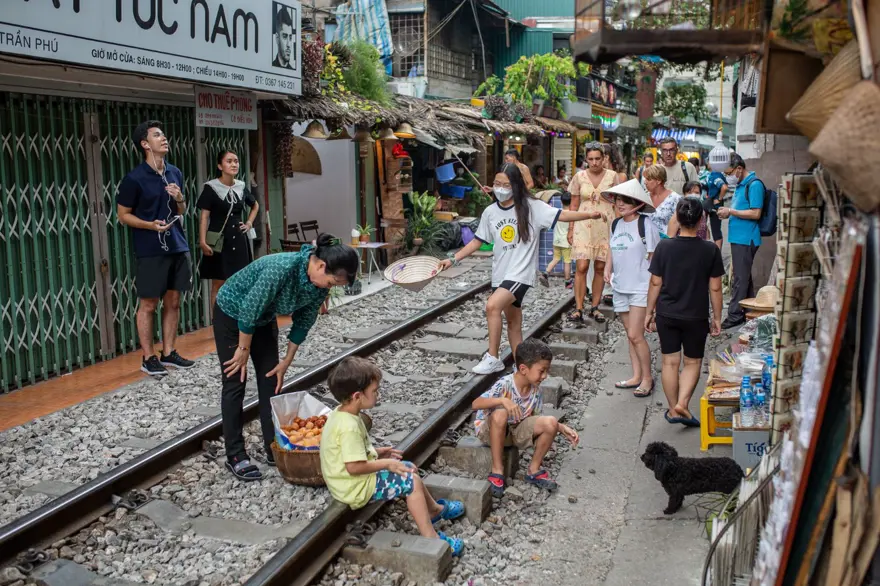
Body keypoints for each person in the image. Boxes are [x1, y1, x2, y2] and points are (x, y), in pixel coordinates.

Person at [215, 234, 359, 481]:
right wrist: (242, 350)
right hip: (233, 312)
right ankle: (236, 455)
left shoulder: (317, 284)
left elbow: (303, 321)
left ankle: (275, 447)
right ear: (321, 266)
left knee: (271, 379)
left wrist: (286, 361)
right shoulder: (281, 269)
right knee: (235, 380)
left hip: (263, 318)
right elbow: (249, 311)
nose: (330, 287)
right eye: (332, 282)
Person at [439, 163, 600, 375]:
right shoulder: (490, 212)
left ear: (515, 186)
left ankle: (493, 357)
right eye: (497, 184)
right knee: (514, 323)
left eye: (506, 184)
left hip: (520, 274)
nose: (500, 188)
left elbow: (561, 215)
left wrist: (589, 215)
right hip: (501, 274)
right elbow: (478, 241)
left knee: (492, 307)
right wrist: (452, 259)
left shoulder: (532, 207)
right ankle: (521, 369)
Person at [320, 357, 465, 555]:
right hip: (354, 487)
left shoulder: (341, 413)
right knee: (410, 481)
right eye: (374, 391)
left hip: (345, 481)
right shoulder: (349, 427)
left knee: (407, 469)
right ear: (357, 396)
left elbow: (349, 453)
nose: (377, 394)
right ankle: (431, 537)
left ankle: (434, 511)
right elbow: (353, 467)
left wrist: (378, 453)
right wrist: (386, 463)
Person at [116, 120, 195, 376]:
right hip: (151, 249)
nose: (164, 139)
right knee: (148, 304)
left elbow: (181, 210)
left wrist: (179, 198)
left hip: (178, 245)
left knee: (173, 301)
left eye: (164, 134)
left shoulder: (175, 172)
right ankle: (148, 357)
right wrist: (150, 225)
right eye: (157, 135)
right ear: (144, 144)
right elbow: (122, 215)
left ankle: (169, 352)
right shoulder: (134, 179)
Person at [646, 198, 724, 427]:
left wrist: (649, 312)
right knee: (692, 362)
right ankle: (682, 403)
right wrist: (717, 317)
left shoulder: (664, 247)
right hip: (695, 316)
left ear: (677, 219)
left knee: (669, 362)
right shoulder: (710, 249)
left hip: (667, 314)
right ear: (701, 220)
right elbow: (716, 287)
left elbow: (655, 283)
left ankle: (674, 409)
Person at [471, 338, 579, 496]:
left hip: (515, 431)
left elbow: (536, 420)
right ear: (523, 369)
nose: (545, 376)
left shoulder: (536, 390)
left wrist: (560, 427)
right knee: (500, 413)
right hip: (491, 431)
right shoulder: (505, 384)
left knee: (550, 422)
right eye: (541, 371)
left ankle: (533, 470)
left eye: (546, 371)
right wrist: (502, 400)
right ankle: (497, 470)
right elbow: (475, 403)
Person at [602, 180, 660, 397]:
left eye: (625, 200)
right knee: (629, 334)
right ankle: (636, 375)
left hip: (640, 287)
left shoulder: (647, 225)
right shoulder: (616, 224)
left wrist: (656, 294)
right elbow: (612, 248)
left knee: (637, 335)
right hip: (620, 286)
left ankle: (647, 378)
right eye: (618, 199)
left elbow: (655, 259)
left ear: (636, 203)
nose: (620, 204)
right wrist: (608, 268)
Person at [198, 150, 259, 312]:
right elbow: (204, 216)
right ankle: (217, 322)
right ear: (220, 165)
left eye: (236, 161)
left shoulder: (240, 186)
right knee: (218, 282)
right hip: (219, 240)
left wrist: (249, 223)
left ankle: (237, 317)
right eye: (229, 161)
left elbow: (255, 205)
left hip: (238, 239)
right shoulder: (211, 188)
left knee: (241, 279)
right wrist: (202, 241)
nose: (234, 164)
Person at [567, 143, 620, 324]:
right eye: (591, 159)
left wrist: (620, 227)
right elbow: (573, 205)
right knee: (581, 266)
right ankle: (579, 307)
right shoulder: (579, 177)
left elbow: (618, 204)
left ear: (604, 158)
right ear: (586, 159)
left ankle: (595, 307)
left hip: (605, 226)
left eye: (598, 158)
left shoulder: (613, 177)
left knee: (600, 267)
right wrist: (571, 228)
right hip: (583, 224)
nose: (595, 162)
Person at [717, 154, 764, 329]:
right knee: (744, 278)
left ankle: (735, 315)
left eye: (729, 172)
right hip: (738, 238)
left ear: (739, 168)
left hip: (747, 238)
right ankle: (749, 311)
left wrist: (731, 211)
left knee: (740, 279)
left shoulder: (754, 185)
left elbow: (755, 213)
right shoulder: (740, 185)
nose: (728, 176)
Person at [542, 191, 574, 289]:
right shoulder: (572, 214)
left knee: (556, 258)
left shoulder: (557, 212)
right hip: (566, 242)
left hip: (556, 241)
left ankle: (546, 273)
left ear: (561, 201)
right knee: (567, 261)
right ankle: (568, 281)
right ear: (572, 202)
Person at [642, 165, 682, 239]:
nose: (645, 182)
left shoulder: (675, 199)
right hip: (645, 244)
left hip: (667, 244)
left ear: (658, 181)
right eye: (645, 179)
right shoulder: (643, 197)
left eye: (648, 179)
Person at [704, 164, 729, 249]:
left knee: (715, 230)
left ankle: (717, 255)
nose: (707, 163)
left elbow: (724, 187)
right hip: (710, 203)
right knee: (704, 226)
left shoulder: (716, 175)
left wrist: (719, 198)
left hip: (715, 206)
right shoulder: (712, 174)